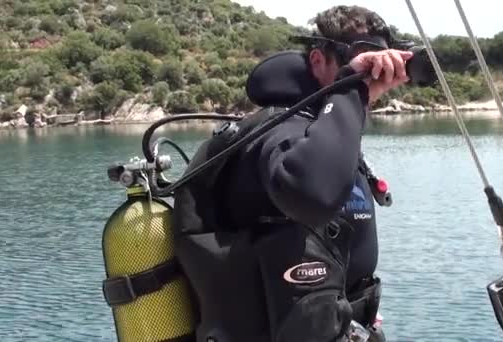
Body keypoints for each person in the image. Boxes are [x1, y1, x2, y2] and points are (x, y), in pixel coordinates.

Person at [173, 5, 413, 342]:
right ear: (318, 61)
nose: (372, 73)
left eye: (380, 61)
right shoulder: (278, 132)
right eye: (361, 59)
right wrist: (348, 90)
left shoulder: (324, 131)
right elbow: (312, 193)